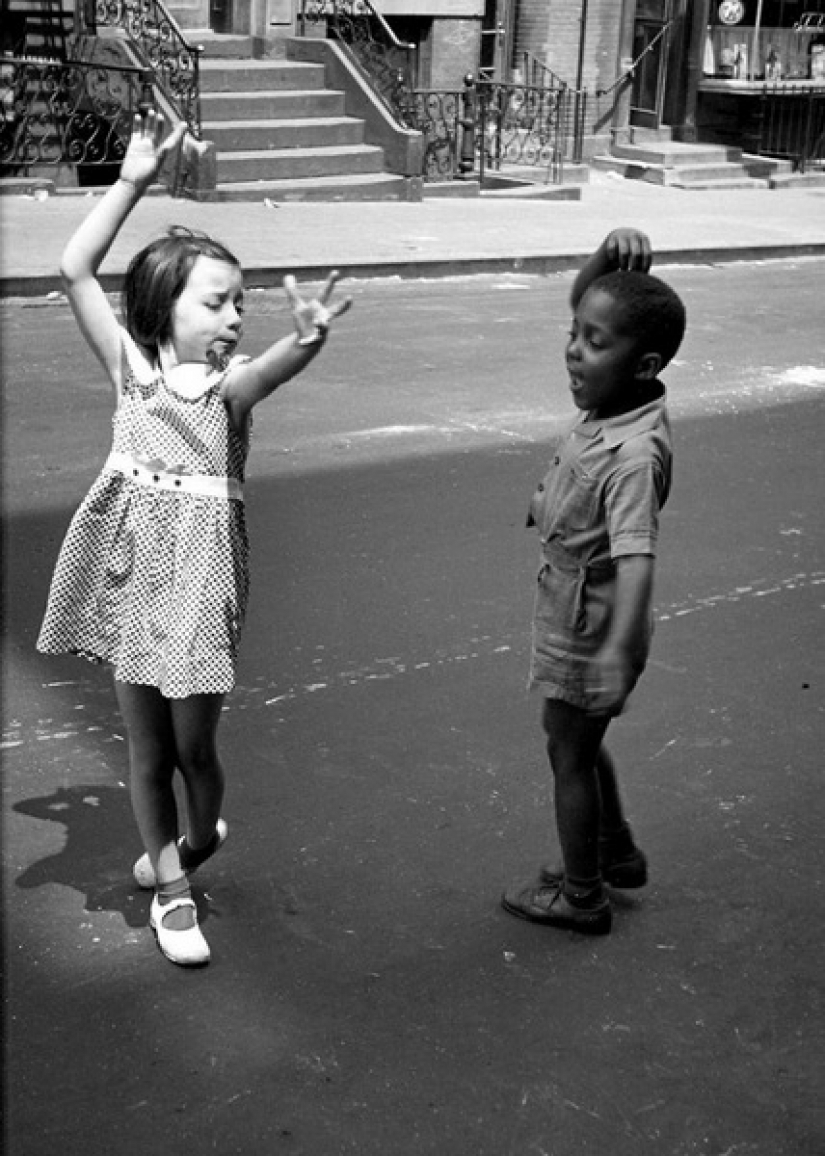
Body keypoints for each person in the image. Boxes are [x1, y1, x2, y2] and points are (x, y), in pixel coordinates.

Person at [36, 111, 351, 966]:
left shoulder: (227, 397)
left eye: (239, 303)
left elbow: (266, 369)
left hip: (200, 587)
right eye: (215, 302)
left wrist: (306, 337)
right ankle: (174, 895)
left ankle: (200, 833)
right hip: (135, 576)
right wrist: (133, 180)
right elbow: (73, 268)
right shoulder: (131, 378)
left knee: (193, 750)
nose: (233, 317)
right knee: (142, 749)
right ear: (159, 311)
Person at [502, 228, 686, 936]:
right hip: (573, 604)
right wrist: (606, 260)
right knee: (575, 740)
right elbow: (589, 296)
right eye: (574, 334)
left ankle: (582, 895)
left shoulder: (632, 454)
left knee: (568, 751)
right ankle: (614, 851)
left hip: (590, 620)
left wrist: (613, 648)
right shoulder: (617, 400)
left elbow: (639, 556)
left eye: (594, 341)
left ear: (640, 364)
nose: (575, 349)